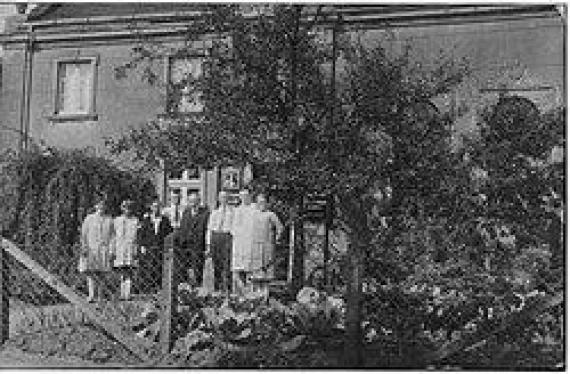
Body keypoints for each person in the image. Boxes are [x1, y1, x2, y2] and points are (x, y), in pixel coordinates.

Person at [79, 197, 114, 303]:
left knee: (102, 274)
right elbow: (83, 234)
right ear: (95, 206)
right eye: (99, 205)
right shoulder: (89, 218)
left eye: (103, 205)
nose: (101, 207)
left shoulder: (109, 219)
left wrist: (112, 250)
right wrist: (84, 246)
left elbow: (113, 236)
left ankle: (100, 296)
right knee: (90, 272)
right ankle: (91, 295)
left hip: (104, 250)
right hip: (91, 249)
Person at [175, 192, 209, 286]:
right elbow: (182, 228)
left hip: (198, 246)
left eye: (195, 201)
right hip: (185, 246)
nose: (192, 203)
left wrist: (206, 246)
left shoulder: (205, 213)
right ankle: (185, 290)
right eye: (190, 201)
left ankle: (197, 289)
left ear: (199, 201)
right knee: (183, 270)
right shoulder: (186, 212)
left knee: (197, 269)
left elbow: (206, 230)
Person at [139, 199, 172, 293]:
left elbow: (169, 234)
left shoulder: (165, 220)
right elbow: (142, 234)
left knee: (159, 268)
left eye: (158, 206)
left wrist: (168, 247)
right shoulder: (146, 219)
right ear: (151, 208)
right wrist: (142, 246)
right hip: (149, 247)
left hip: (160, 248)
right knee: (149, 268)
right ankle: (148, 289)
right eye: (154, 206)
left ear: (160, 208)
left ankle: (158, 289)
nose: (156, 209)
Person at [205, 191, 234, 293]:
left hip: (227, 237)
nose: (223, 200)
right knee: (216, 264)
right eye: (221, 198)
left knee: (227, 264)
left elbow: (235, 227)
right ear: (218, 199)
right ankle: (217, 288)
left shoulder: (232, 212)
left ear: (228, 199)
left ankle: (228, 289)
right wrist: (208, 244)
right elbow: (209, 228)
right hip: (215, 237)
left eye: (225, 197)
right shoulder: (214, 212)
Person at [251, 193, 284, 282]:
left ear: (266, 203)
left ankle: (266, 293)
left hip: (267, 244)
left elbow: (280, 227)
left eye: (263, 202)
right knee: (256, 269)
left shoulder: (270, 214)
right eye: (259, 202)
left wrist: (277, 238)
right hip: (256, 244)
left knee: (268, 266)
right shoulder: (254, 214)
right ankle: (256, 292)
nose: (261, 204)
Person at [113, 199, 141, 300]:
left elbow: (138, 236)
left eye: (129, 208)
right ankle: (122, 293)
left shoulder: (135, 220)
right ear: (122, 209)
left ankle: (127, 293)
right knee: (121, 271)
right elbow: (114, 236)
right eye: (125, 208)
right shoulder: (117, 220)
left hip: (130, 248)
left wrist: (137, 248)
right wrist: (112, 249)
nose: (127, 210)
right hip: (120, 248)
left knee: (129, 271)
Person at [230, 188, 257, 294]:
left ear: (250, 196)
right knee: (237, 270)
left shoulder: (254, 208)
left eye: (246, 196)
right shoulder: (237, 210)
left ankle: (251, 293)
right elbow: (233, 227)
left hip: (251, 242)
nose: (244, 198)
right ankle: (238, 293)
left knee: (250, 269)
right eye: (242, 196)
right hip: (239, 243)